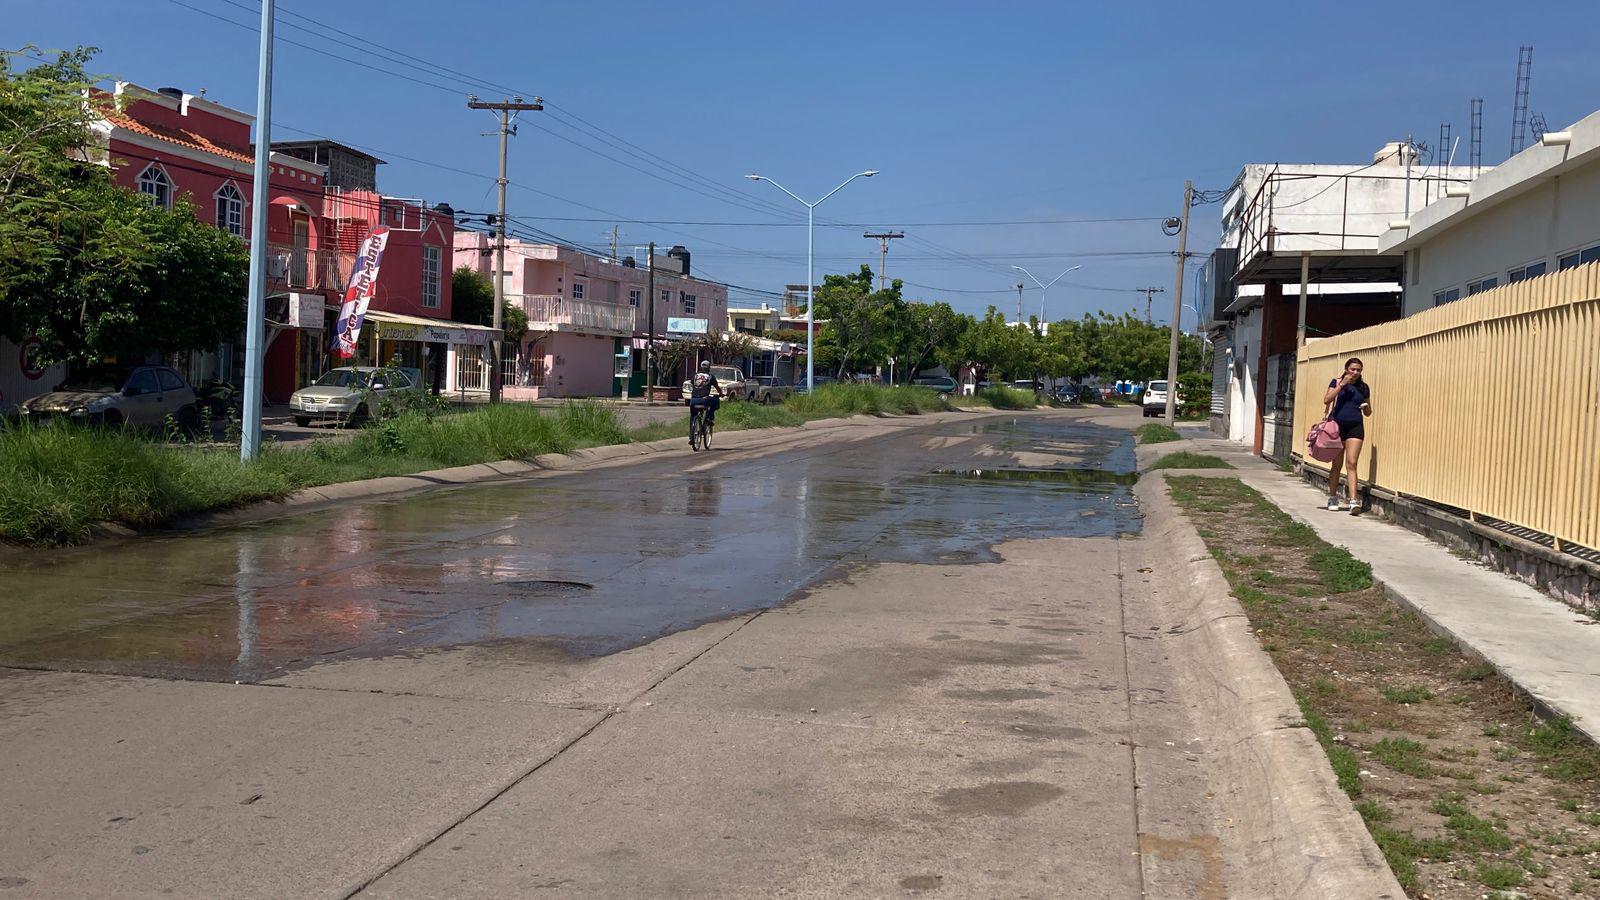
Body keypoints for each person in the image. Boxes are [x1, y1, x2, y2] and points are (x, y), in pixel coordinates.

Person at [1322, 356, 1372, 514]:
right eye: (1352, 369)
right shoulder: (1336, 382)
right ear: (1346, 369)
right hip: (1337, 427)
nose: (1355, 372)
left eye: (1358, 370)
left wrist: (1365, 408)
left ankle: (1353, 501)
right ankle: (1333, 497)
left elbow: (1369, 412)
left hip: (1355, 427)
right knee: (1337, 464)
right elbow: (1327, 400)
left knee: (1352, 463)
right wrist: (1342, 385)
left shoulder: (1364, 387)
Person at [686, 360, 722, 439]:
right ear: (709, 368)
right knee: (715, 400)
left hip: (693, 400)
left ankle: (691, 436)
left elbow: (692, 383)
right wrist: (721, 394)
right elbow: (717, 388)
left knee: (693, 416)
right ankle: (709, 417)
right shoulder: (711, 377)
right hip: (704, 399)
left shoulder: (695, 376)